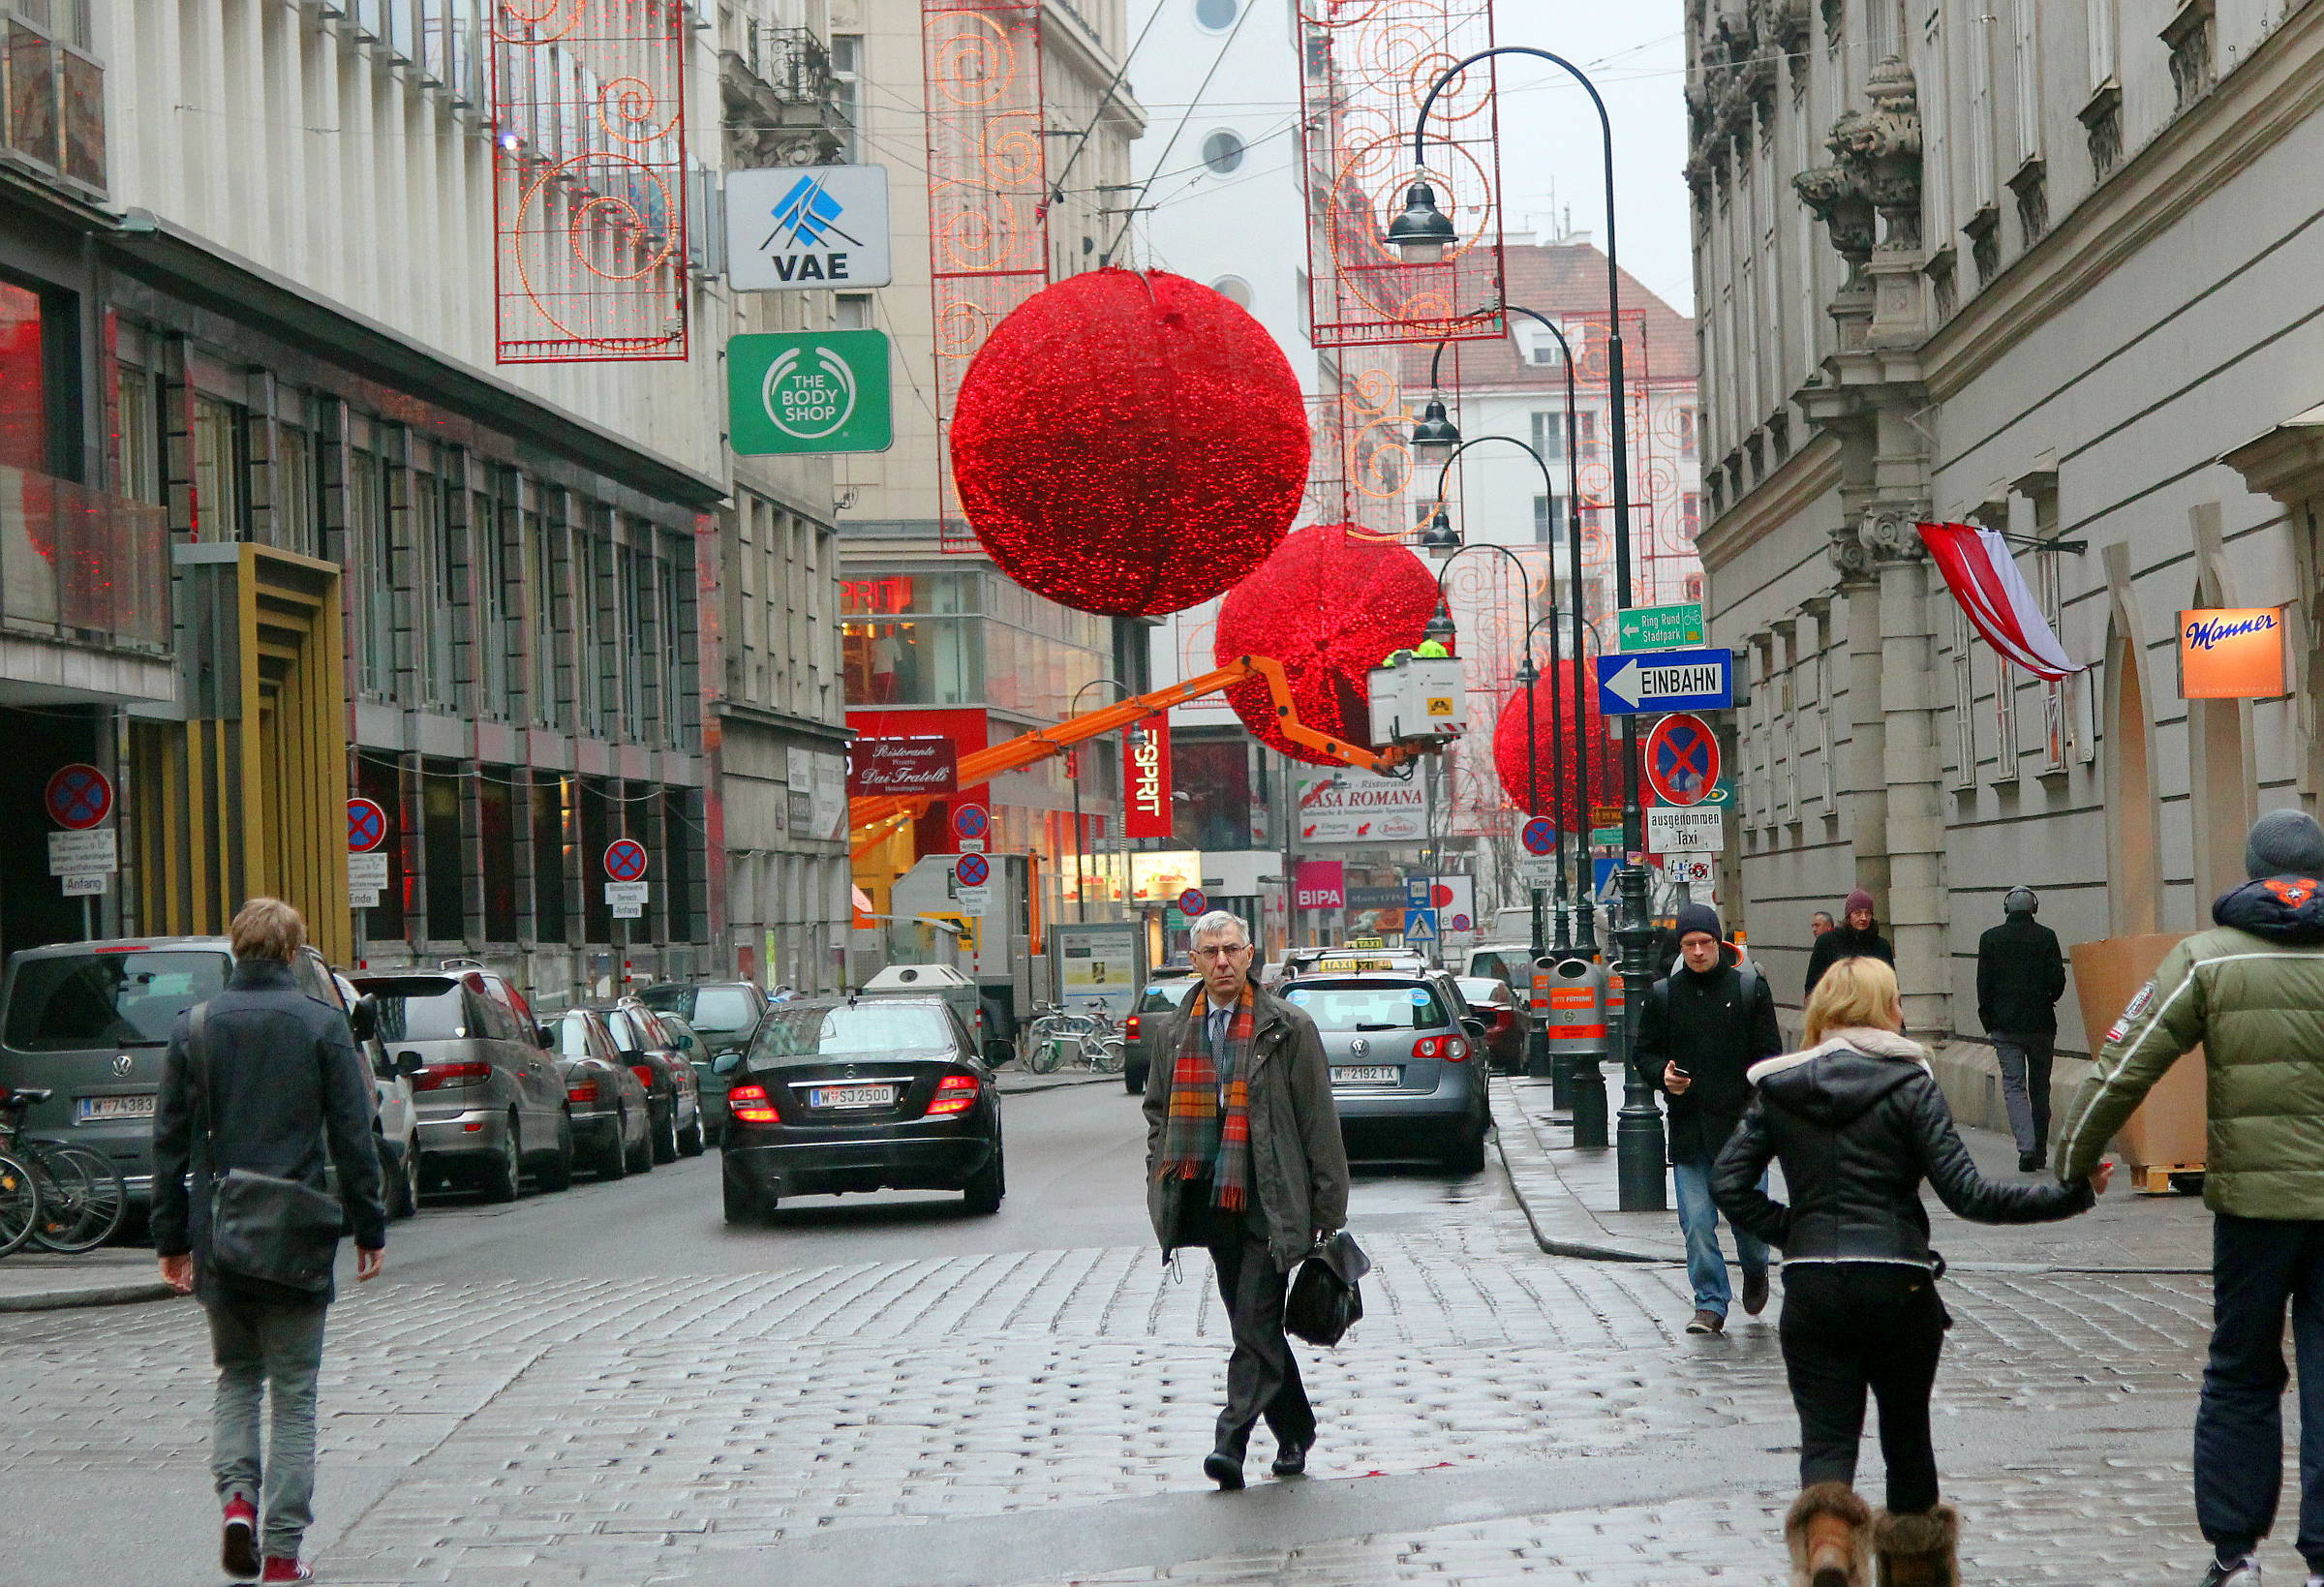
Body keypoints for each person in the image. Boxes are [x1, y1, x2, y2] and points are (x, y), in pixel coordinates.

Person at [1716, 956, 2105, 1587]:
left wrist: (1795, 1231)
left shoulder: (1780, 1087)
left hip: (1814, 1283)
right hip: (1898, 1280)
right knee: (1906, 1429)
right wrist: (2069, 1192)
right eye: (1895, 999)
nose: (1902, 1011)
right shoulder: (1909, 1083)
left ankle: (1830, 1545)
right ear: (1879, 1008)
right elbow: (1969, 1193)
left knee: (1826, 1435)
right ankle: (1917, 1571)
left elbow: (1729, 1182)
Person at [2055, 809, 2324, 1587]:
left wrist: (2076, 1162)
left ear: (2249, 871)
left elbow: (2124, 1060)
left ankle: (2237, 1554)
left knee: (2241, 1371)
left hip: (2252, 1212)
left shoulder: (2205, 960)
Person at [151, 899, 388, 1585]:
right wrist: (368, 1226)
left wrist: (173, 1238)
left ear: (236, 948)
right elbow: (355, 1135)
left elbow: (167, 1144)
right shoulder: (320, 1024)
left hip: (220, 1236)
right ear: (291, 952)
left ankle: (236, 1503)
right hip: (296, 1238)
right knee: (294, 1392)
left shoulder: (192, 1028)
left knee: (237, 1376)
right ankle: (282, 1555)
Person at [1144, 908, 1350, 1492]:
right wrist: (1159, 1175)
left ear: (1250, 954)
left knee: (1254, 1320)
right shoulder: (1175, 1030)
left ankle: (1229, 1441)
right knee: (1253, 1326)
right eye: (1210, 953)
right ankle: (1296, 1430)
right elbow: (1158, 1112)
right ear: (1195, 962)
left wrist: (1328, 1210)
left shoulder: (1287, 1028)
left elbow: (1319, 1124)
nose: (1223, 962)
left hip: (1272, 1198)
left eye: (1231, 950)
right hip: (1211, 1200)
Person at [1637, 902, 1782, 1335]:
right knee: (1697, 1223)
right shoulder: (1664, 995)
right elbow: (1643, 1053)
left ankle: (1755, 1270)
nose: (1698, 952)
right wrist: (1663, 1075)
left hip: (1743, 1133)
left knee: (1749, 1225)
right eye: (1689, 945)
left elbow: (1770, 1058)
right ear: (1680, 948)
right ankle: (1710, 1303)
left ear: (1718, 943)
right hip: (1690, 1129)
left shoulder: (1749, 989)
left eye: (1705, 943)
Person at [1976, 886, 2068, 1172]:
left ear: (2007, 909)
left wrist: (1989, 1021)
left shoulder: (1990, 939)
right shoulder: (2046, 936)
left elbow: (1984, 985)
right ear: (2034, 908)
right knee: (2040, 1087)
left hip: (2005, 1026)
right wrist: (2046, 999)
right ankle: (2039, 1149)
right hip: (2041, 1025)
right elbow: (2058, 980)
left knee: (2014, 1087)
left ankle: (2026, 1148)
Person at [1802, 888, 1894, 999]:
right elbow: (1812, 985)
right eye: (1858, 913)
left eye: (1868, 913)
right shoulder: (1826, 942)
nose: (1863, 918)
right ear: (1849, 916)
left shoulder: (1881, 946)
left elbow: (1891, 987)